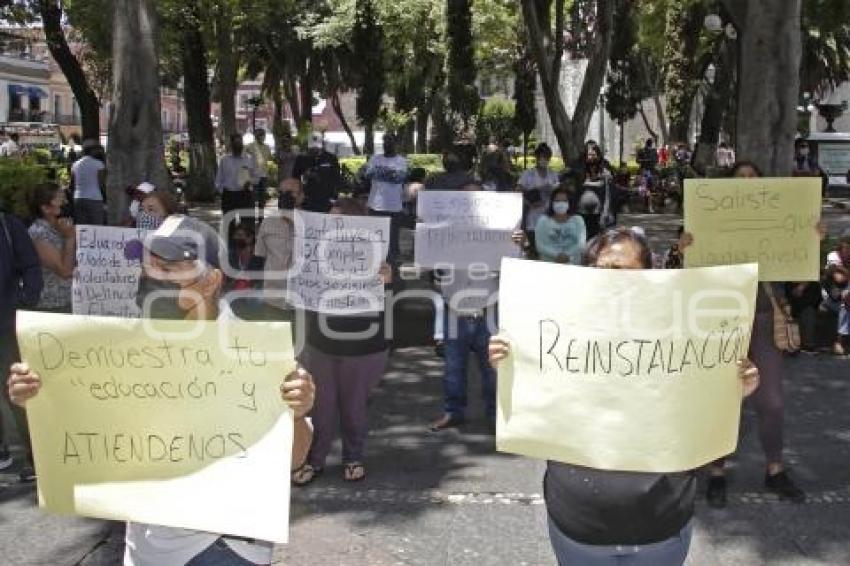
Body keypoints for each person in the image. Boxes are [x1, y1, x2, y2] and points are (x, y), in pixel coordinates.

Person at [8, 213, 316, 565]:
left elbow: (296, 458)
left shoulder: (259, 352)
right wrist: (35, 395)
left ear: (211, 280)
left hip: (226, 547)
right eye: (148, 268)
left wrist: (297, 413)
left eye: (169, 269)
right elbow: (87, 430)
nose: (153, 278)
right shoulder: (119, 349)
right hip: (147, 545)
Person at [489, 228, 761, 566]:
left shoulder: (684, 331)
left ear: (651, 274)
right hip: (578, 526)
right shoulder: (556, 324)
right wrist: (513, 365)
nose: (610, 280)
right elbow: (541, 400)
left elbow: (700, 410)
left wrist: (734, 388)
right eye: (601, 270)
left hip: (662, 526)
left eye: (622, 271)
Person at [685, 161, 807, 508]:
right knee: (725, 401)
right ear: (729, 186)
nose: (748, 183)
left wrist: (812, 237)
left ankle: (775, 470)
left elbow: (799, 264)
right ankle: (717, 472)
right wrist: (686, 246)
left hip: (765, 318)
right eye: (741, 178)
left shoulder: (776, 220)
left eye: (755, 177)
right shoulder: (709, 222)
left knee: (772, 402)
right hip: (722, 317)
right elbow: (689, 271)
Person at [292, 197, 392, 486]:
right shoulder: (315, 253)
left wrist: (390, 279)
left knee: (354, 407)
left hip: (365, 346)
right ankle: (313, 459)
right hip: (322, 343)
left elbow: (397, 298)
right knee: (319, 406)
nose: (330, 225)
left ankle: (353, 457)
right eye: (328, 219)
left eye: (338, 219)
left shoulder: (379, 250)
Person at [430, 182, 525, 432]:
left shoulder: (502, 233)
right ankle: (453, 412)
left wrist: (520, 246)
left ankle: (497, 416)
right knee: (453, 369)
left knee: (493, 369)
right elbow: (432, 271)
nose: (468, 205)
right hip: (454, 311)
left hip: (489, 311)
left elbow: (516, 269)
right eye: (463, 200)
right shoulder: (443, 234)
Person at [0, 206, 42, 481]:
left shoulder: (8, 224)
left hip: (6, 321)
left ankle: (35, 455)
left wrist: (25, 302)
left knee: (17, 388)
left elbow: (30, 264)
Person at [254, 178, 302, 322]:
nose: (285, 196)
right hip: (273, 298)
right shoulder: (267, 223)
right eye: (281, 193)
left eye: (290, 193)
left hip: (302, 302)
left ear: (301, 196)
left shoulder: (313, 224)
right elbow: (259, 256)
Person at [27, 183, 75, 314]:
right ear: (46, 208)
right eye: (60, 199)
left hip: (69, 298)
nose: (65, 203)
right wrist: (69, 239)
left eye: (65, 198)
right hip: (52, 304)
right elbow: (64, 271)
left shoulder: (61, 228)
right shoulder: (39, 233)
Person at [365, 133, 408, 264]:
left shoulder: (401, 161)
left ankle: (393, 270)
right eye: (384, 142)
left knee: (392, 239)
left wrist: (380, 173)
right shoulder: (375, 158)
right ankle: (375, 264)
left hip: (394, 206)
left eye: (389, 142)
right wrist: (390, 174)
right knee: (375, 237)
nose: (386, 145)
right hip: (375, 205)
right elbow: (368, 174)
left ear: (396, 144)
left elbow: (398, 179)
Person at [518, 143, 560, 252]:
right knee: (533, 249)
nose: (543, 160)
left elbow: (559, 192)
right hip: (532, 218)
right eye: (541, 157)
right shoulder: (528, 174)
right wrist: (529, 203)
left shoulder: (553, 174)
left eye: (546, 157)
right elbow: (518, 191)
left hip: (549, 218)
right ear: (537, 158)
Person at [215, 133, 257, 239]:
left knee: (247, 226)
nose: (238, 145)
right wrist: (222, 191)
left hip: (245, 195)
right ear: (231, 144)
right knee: (229, 227)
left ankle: (248, 250)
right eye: (235, 142)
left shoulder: (249, 159)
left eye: (240, 142)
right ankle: (230, 251)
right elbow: (219, 179)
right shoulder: (224, 160)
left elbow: (256, 177)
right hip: (229, 196)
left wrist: (250, 182)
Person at [293, 132, 343, 213]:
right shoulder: (301, 159)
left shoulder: (331, 158)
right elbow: (295, 178)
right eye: (312, 148)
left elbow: (336, 179)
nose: (314, 150)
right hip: (307, 199)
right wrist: (297, 196)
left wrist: (334, 198)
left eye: (317, 147)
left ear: (323, 144)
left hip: (326, 199)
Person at [534, 187, 586, 264]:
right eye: (557, 201)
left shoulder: (578, 220)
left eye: (564, 201)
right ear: (552, 202)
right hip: (549, 265)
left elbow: (581, 244)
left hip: (572, 265)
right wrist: (556, 256)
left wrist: (567, 255)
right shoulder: (543, 221)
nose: (561, 204)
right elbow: (540, 245)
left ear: (570, 203)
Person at [576, 142, 616, 239]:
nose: (591, 157)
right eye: (589, 154)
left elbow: (608, 193)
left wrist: (606, 212)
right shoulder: (580, 170)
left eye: (594, 154)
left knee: (598, 240)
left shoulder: (604, 171)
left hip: (598, 212)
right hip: (582, 212)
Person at [821, 229, 850, 355]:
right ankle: (839, 342)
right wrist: (841, 270)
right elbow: (839, 278)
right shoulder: (833, 256)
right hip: (831, 297)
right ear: (841, 245)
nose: (848, 250)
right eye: (846, 246)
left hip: (845, 295)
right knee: (845, 303)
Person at [71, 140, 107, 225]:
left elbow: (72, 183)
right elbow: (101, 183)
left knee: (82, 227)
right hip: (94, 198)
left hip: (78, 198)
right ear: (93, 150)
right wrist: (106, 197)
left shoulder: (75, 164)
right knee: (96, 227)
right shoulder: (99, 164)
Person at [246, 129, 273, 220]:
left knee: (262, 198)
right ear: (255, 136)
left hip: (264, 176)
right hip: (253, 176)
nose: (262, 137)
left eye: (263, 135)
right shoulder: (249, 146)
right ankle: (252, 217)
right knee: (252, 198)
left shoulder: (267, 147)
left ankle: (261, 217)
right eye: (260, 135)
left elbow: (270, 159)